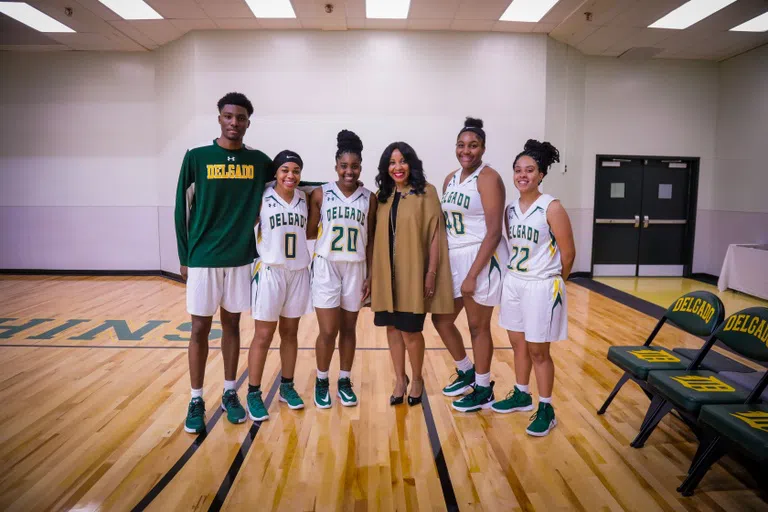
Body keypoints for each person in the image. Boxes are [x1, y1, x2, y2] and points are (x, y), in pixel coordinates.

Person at [174, 92, 273, 434]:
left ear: (248, 121)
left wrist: (336, 185)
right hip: (203, 258)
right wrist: (184, 256)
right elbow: (180, 207)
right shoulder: (197, 158)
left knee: (232, 327)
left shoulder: (259, 161)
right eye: (229, 116)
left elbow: (291, 180)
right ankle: (196, 398)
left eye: (241, 117)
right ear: (219, 118)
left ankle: (230, 392)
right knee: (199, 329)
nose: (234, 122)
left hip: (240, 258)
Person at [491, 140, 575, 437]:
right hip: (514, 281)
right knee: (517, 344)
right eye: (517, 170)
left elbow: (568, 254)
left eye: (529, 170)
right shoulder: (511, 209)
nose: (522, 175)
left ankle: (546, 407)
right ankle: (522, 394)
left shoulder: (551, 207)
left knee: (540, 350)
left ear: (541, 174)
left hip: (541, 285)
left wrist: (553, 281)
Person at [432, 117, 508, 412]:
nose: (467, 151)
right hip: (454, 256)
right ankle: (466, 370)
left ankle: (484, 387)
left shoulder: (489, 178)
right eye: (462, 145)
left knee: (478, 327)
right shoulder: (450, 178)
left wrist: (473, 274)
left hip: (480, 256)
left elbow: (494, 232)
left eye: (473, 145)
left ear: (483, 148)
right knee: (441, 319)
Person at [370, 142, 453, 406]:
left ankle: (417, 379)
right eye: (392, 163)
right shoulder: (382, 196)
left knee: (411, 332)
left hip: (413, 273)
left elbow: (435, 234)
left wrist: (430, 272)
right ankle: (399, 378)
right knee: (392, 329)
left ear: (412, 164)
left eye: (402, 161)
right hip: (387, 276)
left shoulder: (426, 192)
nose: (397, 167)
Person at [307, 130, 377, 409]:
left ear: (361, 167)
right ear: (336, 166)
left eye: (355, 166)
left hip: (356, 267)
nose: (349, 171)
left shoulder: (369, 198)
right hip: (327, 265)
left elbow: (370, 239)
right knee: (328, 330)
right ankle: (322, 380)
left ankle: (344, 380)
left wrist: (371, 273)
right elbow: (311, 231)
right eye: (344, 166)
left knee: (349, 329)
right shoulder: (321, 194)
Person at [245, 150, 313, 421]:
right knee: (263, 335)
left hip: (297, 272)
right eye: (285, 170)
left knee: (290, 333)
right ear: (275, 172)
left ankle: (287, 386)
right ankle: (253, 393)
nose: (290, 175)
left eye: (296, 170)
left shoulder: (304, 198)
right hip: (270, 271)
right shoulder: (262, 197)